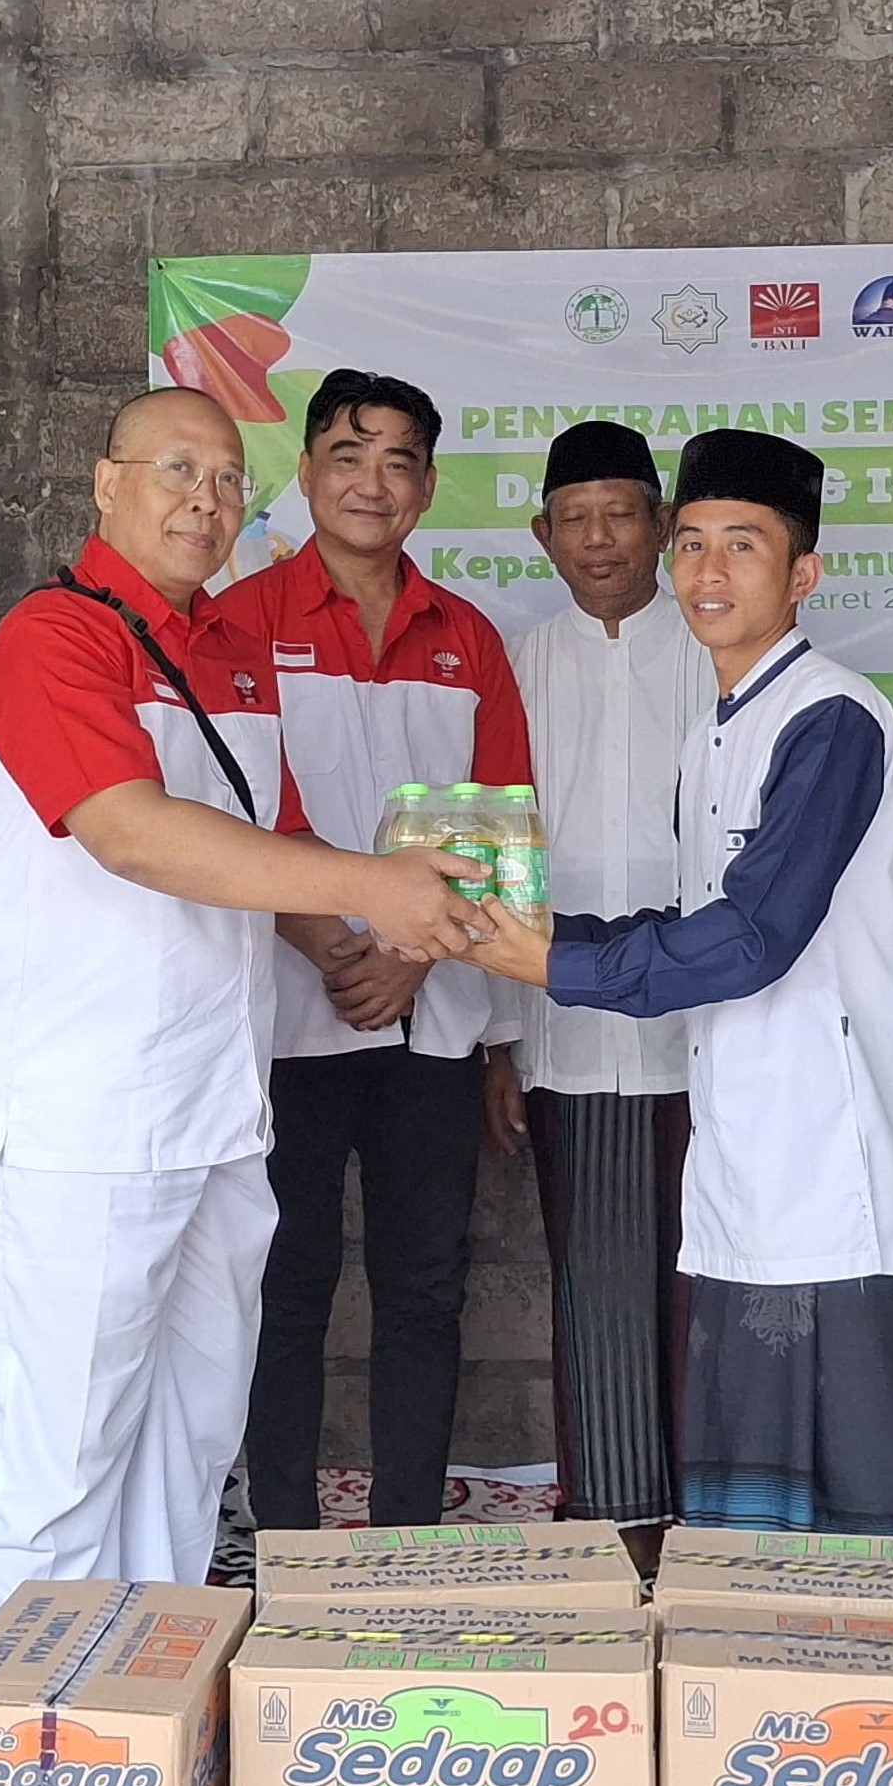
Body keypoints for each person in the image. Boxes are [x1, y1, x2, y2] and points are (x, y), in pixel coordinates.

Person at [0, 386, 487, 1629]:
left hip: (216, 1104)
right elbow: (130, 834)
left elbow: (259, 842)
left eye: (229, 479)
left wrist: (378, 935)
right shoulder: (53, 637)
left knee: (187, 1441)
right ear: (105, 482)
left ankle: (148, 1701)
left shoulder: (228, 648)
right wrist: (368, 886)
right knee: (64, 1445)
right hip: (82, 1110)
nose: (206, 500)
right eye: (177, 470)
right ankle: (33, 1745)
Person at [471, 429, 893, 1535]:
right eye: (691, 544)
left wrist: (554, 961)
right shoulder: (718, 726)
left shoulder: (831, 716)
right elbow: (694, 921)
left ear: (804, 574)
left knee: (862, 1485)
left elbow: (752, 938)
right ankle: (757, 1683)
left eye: (743, 545)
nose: (707, 571)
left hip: (839, 1162)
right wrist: (532, 932)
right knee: (748, 1480)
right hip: (749, 1153)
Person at [216, 369, 534, 1532]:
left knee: (424, 1291)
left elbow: (496, 832)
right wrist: (328, 942)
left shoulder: (468, 638)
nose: (373, 481)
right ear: (305, 474)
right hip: (284, 1016)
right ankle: (288, 1541)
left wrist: (413, 957)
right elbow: (230, 816)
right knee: (286, 1287)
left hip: (433, 1010)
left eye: (400, 460)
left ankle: (407, 1537)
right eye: (349, 455)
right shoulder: (239, 625)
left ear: (428, 488)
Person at [484, 420, 712, 1544]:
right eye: (574, 519)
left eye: (621, 513)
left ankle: (720, 1512)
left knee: (717, 1281)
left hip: (715, 1027)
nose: (599, 538)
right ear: (542, 535)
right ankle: (618, 1520)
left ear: (663, 525)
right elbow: (493, 858)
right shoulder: (513, 667)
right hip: (564, 1027)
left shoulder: (718, 651)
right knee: (596, 1282)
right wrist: (498, 1044)